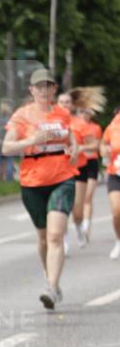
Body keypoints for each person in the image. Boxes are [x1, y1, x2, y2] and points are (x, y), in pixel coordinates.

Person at [2, 68, 78, 309]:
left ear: (54, 89)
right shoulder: (21, 116)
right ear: (31, 90)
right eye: (39, 86)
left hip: (62, 177)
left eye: (48, 86)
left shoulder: (63, 113)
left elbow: (71, 138)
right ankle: (50, 278)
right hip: (33, 181)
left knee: (56, 235)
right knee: (44, 237)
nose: (44, 90)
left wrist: (74, 149)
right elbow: (6, 147)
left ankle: (52, 288)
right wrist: (31, 141)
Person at [69, 87, 104, 245]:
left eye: (88, 112)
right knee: (77, 201)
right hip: (78, 162)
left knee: (88, 197)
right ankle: (79, 225)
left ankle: (86, 225)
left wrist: (83, 148)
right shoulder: (72, 123)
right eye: (83, 112)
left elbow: (98, 146)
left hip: (91, 163)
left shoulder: (95, 128)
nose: (85, 115)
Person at [100, 107, 120, 260]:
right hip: (115, 174)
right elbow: (103, 145)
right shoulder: (112, 128)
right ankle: (119, 240)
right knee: (116, 211)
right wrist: (104, 151)